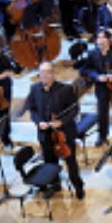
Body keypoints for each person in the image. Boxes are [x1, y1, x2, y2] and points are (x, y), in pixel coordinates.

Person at [26, 62, 84, 199]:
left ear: (53, 73)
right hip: (45, 133)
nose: (44, 75)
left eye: (47, 72)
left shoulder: (65, 89)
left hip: (64, 133)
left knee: (70, 161)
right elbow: (32, 110)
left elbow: (74, 109)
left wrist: (61, 122)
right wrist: (38, 122)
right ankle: (55, 185)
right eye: (42, 72)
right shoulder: (34, 88)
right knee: (50, 161)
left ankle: (78, 185)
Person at [80, 30, 112, 146]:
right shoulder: (93, 54)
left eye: (103, 38)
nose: (100, 40)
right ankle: (102, 136)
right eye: (98, 38)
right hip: (102, 87)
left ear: (108, 40)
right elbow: (84, 69)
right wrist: (97, 76)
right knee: (102, 112)